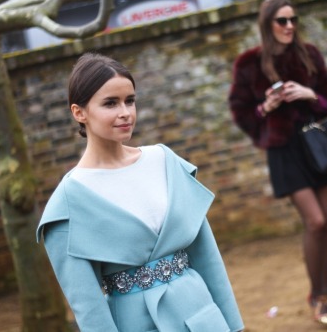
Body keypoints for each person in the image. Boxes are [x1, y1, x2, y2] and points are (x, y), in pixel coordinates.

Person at [36, 52, 244, 332]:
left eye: (129, 101)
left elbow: (207, 255)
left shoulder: (165, 161)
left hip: (204, 316)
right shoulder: (67, 204)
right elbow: (88, 308)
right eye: (110, 103)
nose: (125, 112)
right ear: (79, 112)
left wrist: (233, 324)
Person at [228, 0, 327, 327]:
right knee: (316, 222)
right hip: (283, 151)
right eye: (282, 20)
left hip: (317, 146)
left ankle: (325, 295)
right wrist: (266, 106)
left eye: (293, 19)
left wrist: (310, 95)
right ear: (267, 24)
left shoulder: (310, 54)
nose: (289, 26)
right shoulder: (248, 63)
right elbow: (242, 114)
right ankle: (319, 296)